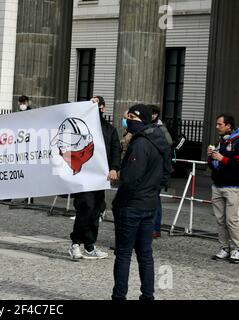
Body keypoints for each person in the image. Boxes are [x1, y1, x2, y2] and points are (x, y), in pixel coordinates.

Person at [111, 104, 171, 301]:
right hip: (149, 204)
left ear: (140, 121)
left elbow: (131, 178)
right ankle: (148, 295)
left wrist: (117, 176)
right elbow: (165, 174)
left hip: (132, 205)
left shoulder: (140, 144)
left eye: (131, 119)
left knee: (124, 254)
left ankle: (119, 296)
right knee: (145, 255)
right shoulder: (159, 141)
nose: (128, 122)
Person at [68, 96, 121, 260]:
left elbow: (115, 150)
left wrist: (114, 168)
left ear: (103, 108)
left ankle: (90, 245)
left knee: (97, 209)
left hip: (100, 177)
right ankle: (75, 243)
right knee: (85, 207)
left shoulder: (109, 129)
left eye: (97, 104)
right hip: (83, 175)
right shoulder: (80, 126)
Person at [207, 114, 239, 264]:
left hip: (233, 186)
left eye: (219, 124)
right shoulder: (220, 141)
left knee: (231, 220)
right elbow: (213, 165)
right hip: (217, 185)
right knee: (220, 220)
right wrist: (211, 157)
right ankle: (224, 247)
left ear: (228, 125)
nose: (217, 127)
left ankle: (237, 249)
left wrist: (222, 159)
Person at [149, 105, 173, 239]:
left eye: (154, 113)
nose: (152, 115)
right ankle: (152, 227)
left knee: (155, 200)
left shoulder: (160, 128)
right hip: (154, 169)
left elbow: (168, 144)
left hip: (158, 170)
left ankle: (155, 228)